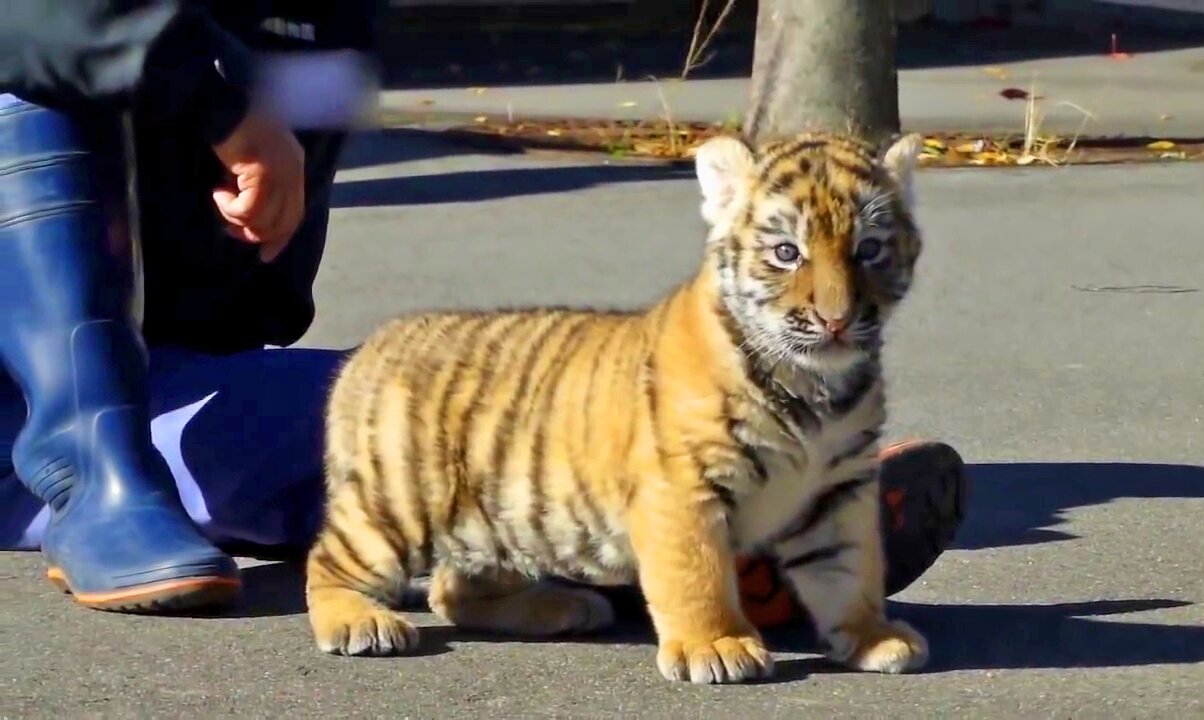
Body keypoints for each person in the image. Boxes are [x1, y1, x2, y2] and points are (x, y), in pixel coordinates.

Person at [0, 1, 968, 617]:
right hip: (48, 407)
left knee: (436, 423)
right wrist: (215, 95)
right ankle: (90, 475)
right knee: (32, 72)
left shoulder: (321, 26)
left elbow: (254, 288)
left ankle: (740, 540)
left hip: (165, 372)